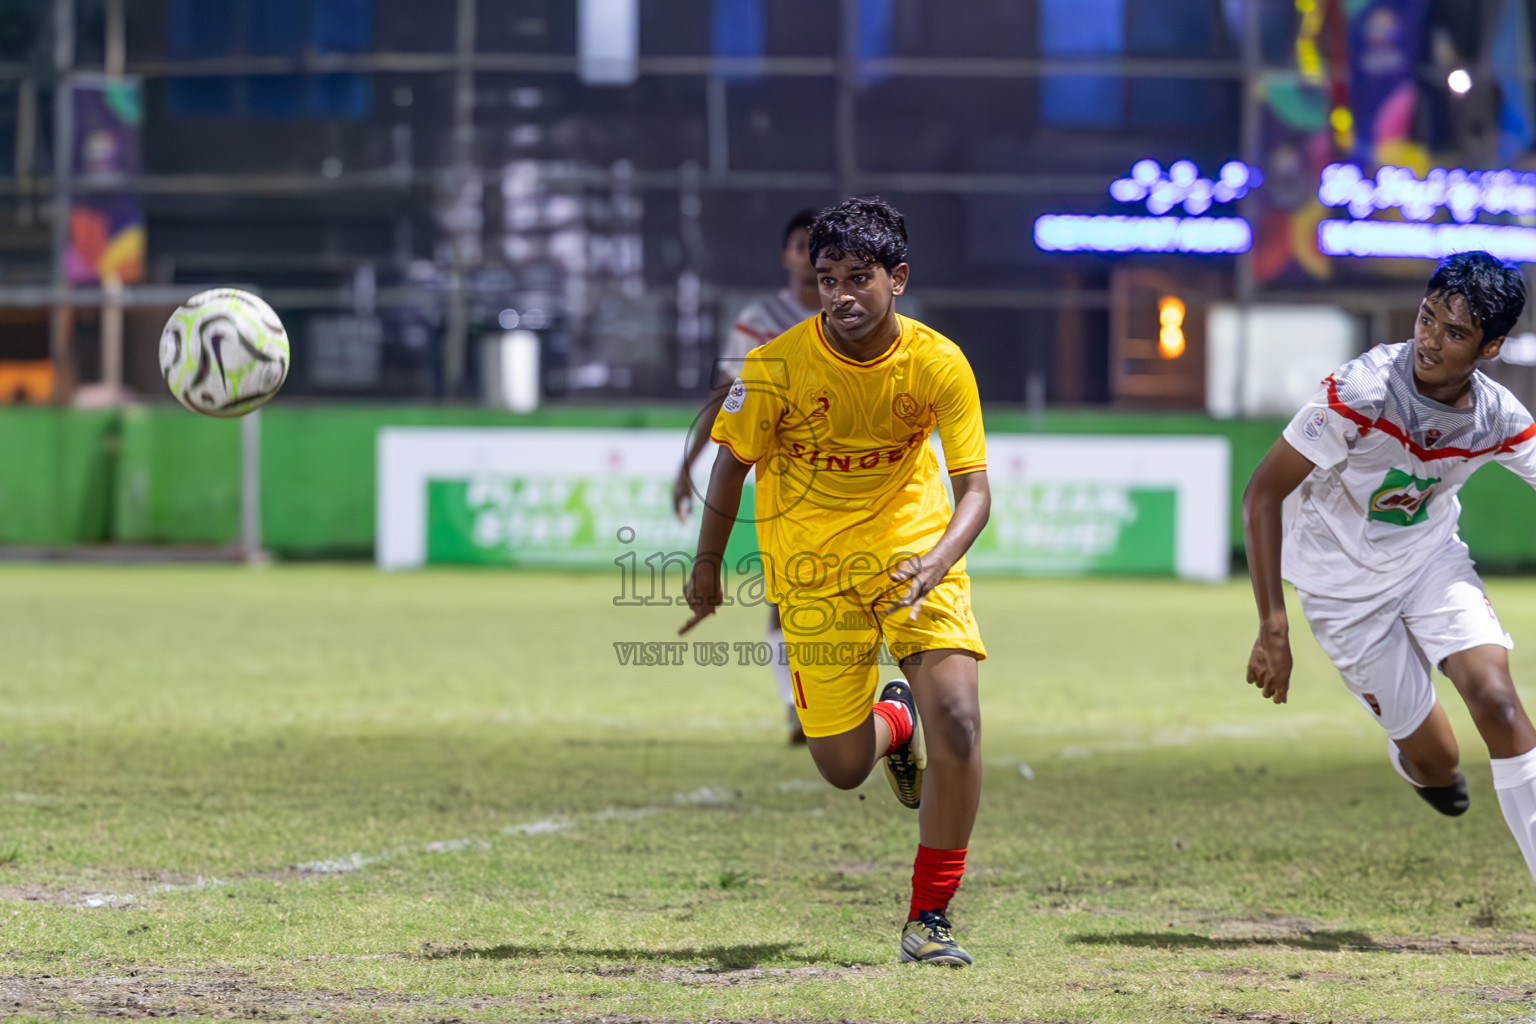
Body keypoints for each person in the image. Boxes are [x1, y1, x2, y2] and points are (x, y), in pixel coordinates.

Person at [679, 197, 990, 966]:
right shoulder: (776, 365)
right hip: (813, 574)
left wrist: (937, 559)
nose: (842, 294)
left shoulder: (938, 362)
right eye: (827, 279)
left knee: (959, 718)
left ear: (899, 278)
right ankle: (894, 723)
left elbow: (976, 491)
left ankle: (930, 917)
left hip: (914, 559)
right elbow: (732, 463)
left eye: (859, 277)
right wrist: (708, 565)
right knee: (843, 767)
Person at [1244, 250, 1536, 886]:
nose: (1429, 342)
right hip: (1339, 591)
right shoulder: (1360, 392)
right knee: (1440, 762)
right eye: (1427, 319)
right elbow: (1261, 495)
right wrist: (1273, 625)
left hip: (1430, 565)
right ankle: (1418, 765)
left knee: (1497, 699)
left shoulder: (1497, 418)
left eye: (1455, 333)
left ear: (1490, 348)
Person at [673, 208, 821, 744]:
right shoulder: (761, 319)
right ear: (786, 253)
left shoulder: (850, 314)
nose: (809, 254)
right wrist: (686, 466)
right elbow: (726, 397)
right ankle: (797, 710)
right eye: (801, 244)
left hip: (857, 480)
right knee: (785, 599)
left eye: (819, 244)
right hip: (787, 482)